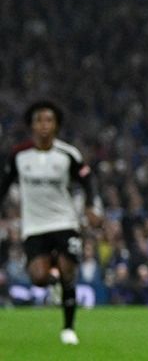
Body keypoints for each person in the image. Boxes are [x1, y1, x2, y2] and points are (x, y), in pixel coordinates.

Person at [0, 101, 101, 345]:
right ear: (31, 126)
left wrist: (90, 207)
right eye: (39, 121)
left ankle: (68, 328)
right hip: (34, 225)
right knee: (38, 278)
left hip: (64, 221)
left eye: (49, 121)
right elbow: (3, 185)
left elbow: (88, 182)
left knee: (69, 271)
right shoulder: (19, 155)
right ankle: (52, 274)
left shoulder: (68, 154)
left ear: (56, 125)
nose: (44, 126)